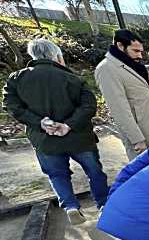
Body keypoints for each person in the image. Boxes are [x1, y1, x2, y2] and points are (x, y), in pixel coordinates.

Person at [3, 39, 109, 225]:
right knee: (94, 172)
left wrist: (40, 122)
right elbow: (89, 106)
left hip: (44, 139)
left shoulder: (16, 79)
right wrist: (68, 124)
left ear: (33, 55)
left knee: (57, 174)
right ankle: (103, 204)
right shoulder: (73, 78)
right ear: (56, 55)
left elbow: (11, 106)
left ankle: (71, 206)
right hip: (79, 137)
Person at [95, 29, 149, 160]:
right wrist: (137, 139)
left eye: (141, 51)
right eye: (136, 51)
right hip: (143, 140)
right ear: (120, 46)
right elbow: (119, 109)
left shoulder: (131, 65)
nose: (140, 56)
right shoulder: (106, 69)